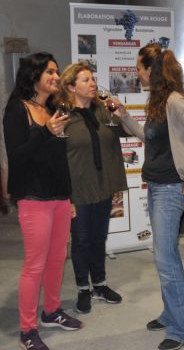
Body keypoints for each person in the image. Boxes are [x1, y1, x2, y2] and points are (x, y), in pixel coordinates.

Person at [133, 43, 184, 350]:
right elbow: (151, 141)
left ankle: (180, 330)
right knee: (163, 254)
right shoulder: (157, 101)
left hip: (171, 188)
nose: (136, 72)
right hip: (155, 184)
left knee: (166, 258)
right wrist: (123, 117)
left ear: (151, 70)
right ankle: (171, 314)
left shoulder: (175, 101)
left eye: (139, 67)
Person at [3, 53, 83, 350]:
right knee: (34, 265)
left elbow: (60, 160)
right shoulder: (17, 109)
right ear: (33, 76)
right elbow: (18, 155)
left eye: (57, 71)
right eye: (50, 71)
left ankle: (51, 312)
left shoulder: (51, 108)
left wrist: (69, 197)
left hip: (59, 197)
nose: (56, 76)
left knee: (57, 259)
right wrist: (46, 132)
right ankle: (27, 330)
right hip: (33, 197)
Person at [56, 62, 141, 315]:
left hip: (103, 186)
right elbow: (57, 159)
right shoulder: (62, 116)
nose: (93, 84)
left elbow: (125, 135)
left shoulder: (103, 111)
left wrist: (122, 114)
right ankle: (83, 288)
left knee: (99, 237)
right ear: (71, 86)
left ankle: (100, 285)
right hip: (78, 189)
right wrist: (66, 197)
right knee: (81, 240)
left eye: (93, 79)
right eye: (85, 80)